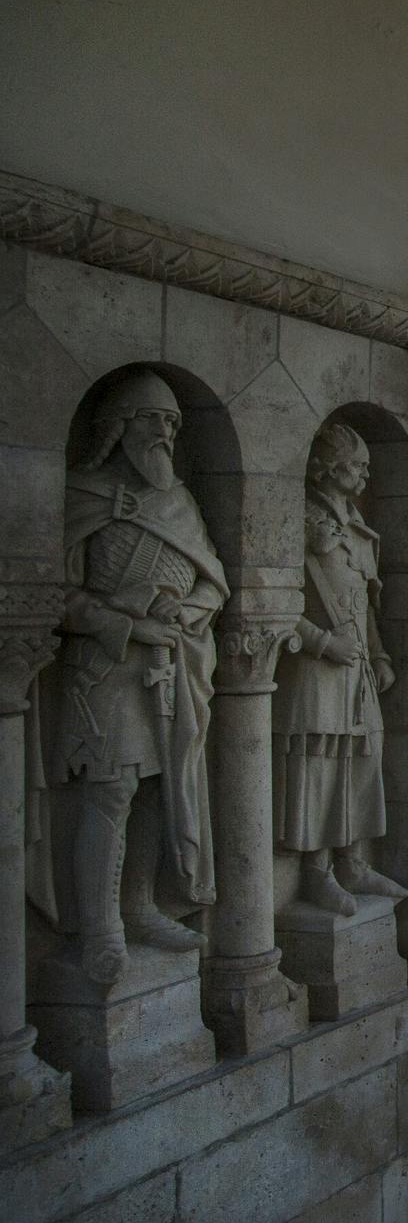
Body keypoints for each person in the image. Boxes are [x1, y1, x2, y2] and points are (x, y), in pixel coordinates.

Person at [36, 371, 227, 984]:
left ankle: (140, 907)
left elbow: (211, 580)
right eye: (153, 420)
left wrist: (184, 611)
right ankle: (101, 928)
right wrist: (125, 625)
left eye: (172, 424)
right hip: (104, 670)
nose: (165, 434)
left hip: (169, 668)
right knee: (111, 791)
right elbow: (54, 596)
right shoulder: (82, 495)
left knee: (156, 787)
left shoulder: (180, 502)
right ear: (119, 426)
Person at [273, 423, 408, 916]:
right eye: (358, 465)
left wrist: (381, 656)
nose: (367, 474)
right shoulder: (299, 520)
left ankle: (353, 861)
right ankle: (317, 873)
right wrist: (324, 643)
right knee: (320, 768)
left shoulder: (357, 531)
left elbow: (364, 607)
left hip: (357, 672)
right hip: (316, 671)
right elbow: (273, 603)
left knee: (364, 759)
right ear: (330, 466)